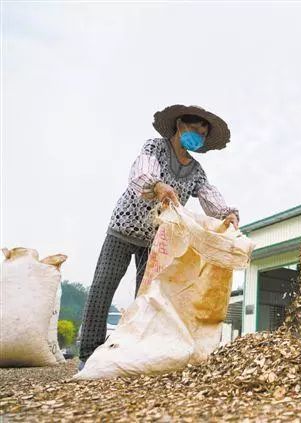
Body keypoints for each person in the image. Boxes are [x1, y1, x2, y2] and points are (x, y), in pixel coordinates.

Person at [79, 105, 240, 369]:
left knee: (145, 298)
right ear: (179, 125)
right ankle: (87, 355)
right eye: (194, 127)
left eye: (203, 131)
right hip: (124, 228)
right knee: (102, 287)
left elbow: (210, 196)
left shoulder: (197, 171)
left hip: (155, 241)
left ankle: (131, 352)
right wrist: (157, 185)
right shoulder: (155, 147)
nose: (198, 134)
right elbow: (141, 172)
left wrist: (226, 214)